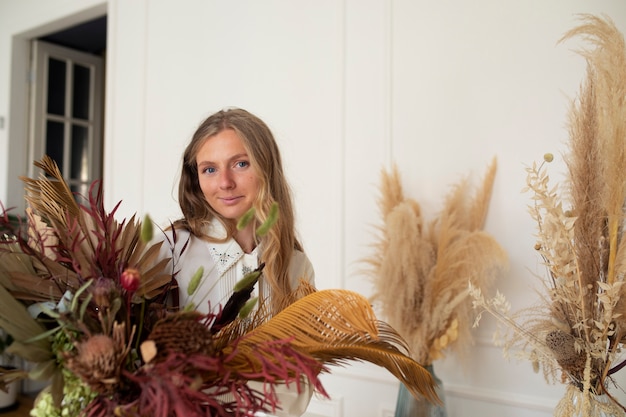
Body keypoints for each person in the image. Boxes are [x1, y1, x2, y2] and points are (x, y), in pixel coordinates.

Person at [154, 107, 316, 416]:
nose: (225, 182)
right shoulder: (170, 250)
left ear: (266, 168)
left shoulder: (296, 266)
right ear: (195, 177)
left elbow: (299, 387)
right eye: (209, 169)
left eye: (240, 164)